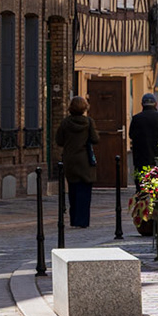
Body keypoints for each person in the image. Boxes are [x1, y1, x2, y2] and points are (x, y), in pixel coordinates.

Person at [55, 97, 100, 229]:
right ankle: (83, 220)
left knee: (73, 190)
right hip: (84, 159)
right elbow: (95, 139)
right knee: (85, 191)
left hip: (70, 159)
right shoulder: (88, 122)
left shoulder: (65, 123)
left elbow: (59, 140)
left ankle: (74, 219)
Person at [128, 91, 158, 187]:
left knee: (141, 180)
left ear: (142, 104)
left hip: (140, 156)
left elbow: (131, 135)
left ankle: (141, 194)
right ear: (155, 104)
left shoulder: (136, 118)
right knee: (157, 179)